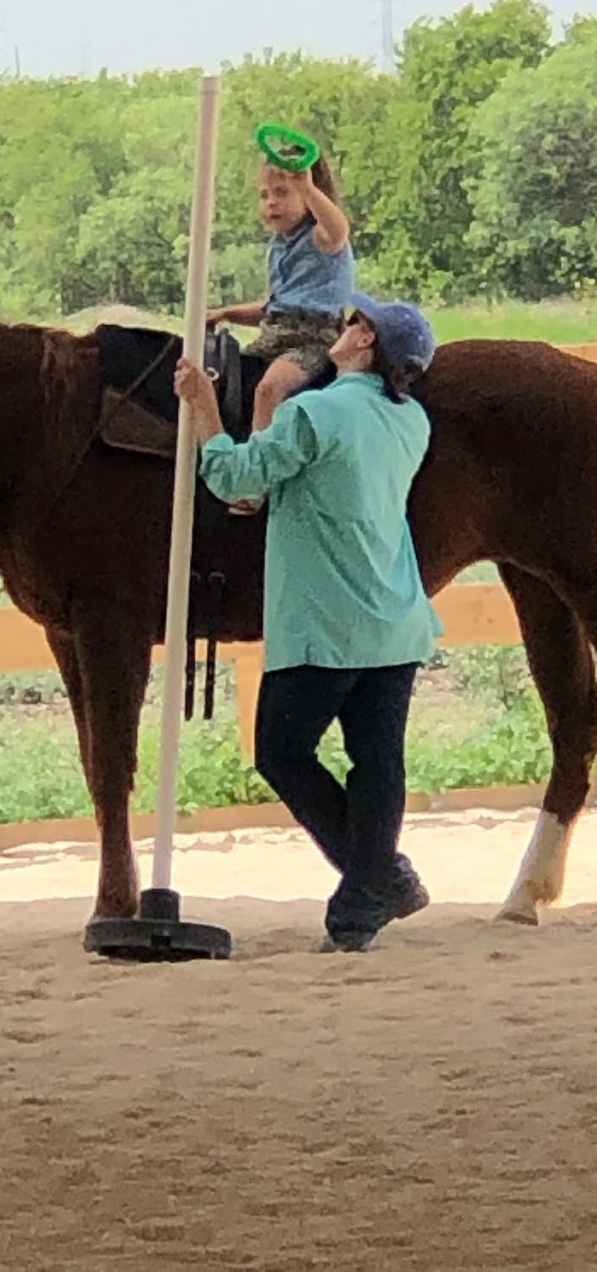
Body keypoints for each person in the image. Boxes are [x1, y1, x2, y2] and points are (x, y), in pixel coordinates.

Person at [174, 293, 440, 952]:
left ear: (365, 347)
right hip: (396, 616)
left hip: (325, 621)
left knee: (282, 751)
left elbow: (237, 479)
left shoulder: (313, 412)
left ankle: (376, 882)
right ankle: (366, 896)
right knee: (378, 761)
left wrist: (205, 410)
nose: (344, 327)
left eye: (357, 324)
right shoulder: (413, 423)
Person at [207, 150, 354, 513]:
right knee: (225, 381)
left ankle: (257, 481)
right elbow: (273, 307)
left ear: (308, 193)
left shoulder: (322, 238)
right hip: (275, 333)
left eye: (283, 193)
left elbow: (339, 230)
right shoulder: (277, 248)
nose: (271, 203)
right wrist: (224, 312)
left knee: (269, 389)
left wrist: (308, 188)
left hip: (313, 338)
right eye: (264, 194)